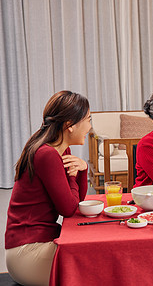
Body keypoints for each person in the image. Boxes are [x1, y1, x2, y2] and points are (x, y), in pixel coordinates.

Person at [5, 91, 91, 285]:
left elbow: (77, 203)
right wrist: (74, 174)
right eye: (88, 120)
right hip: (27, 253)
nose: (90, 127)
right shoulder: (48, 154)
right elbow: (68, 209)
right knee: (95, 259)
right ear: (69, 125)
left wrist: (82, 170)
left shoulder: (60, 150)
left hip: (38, 243)